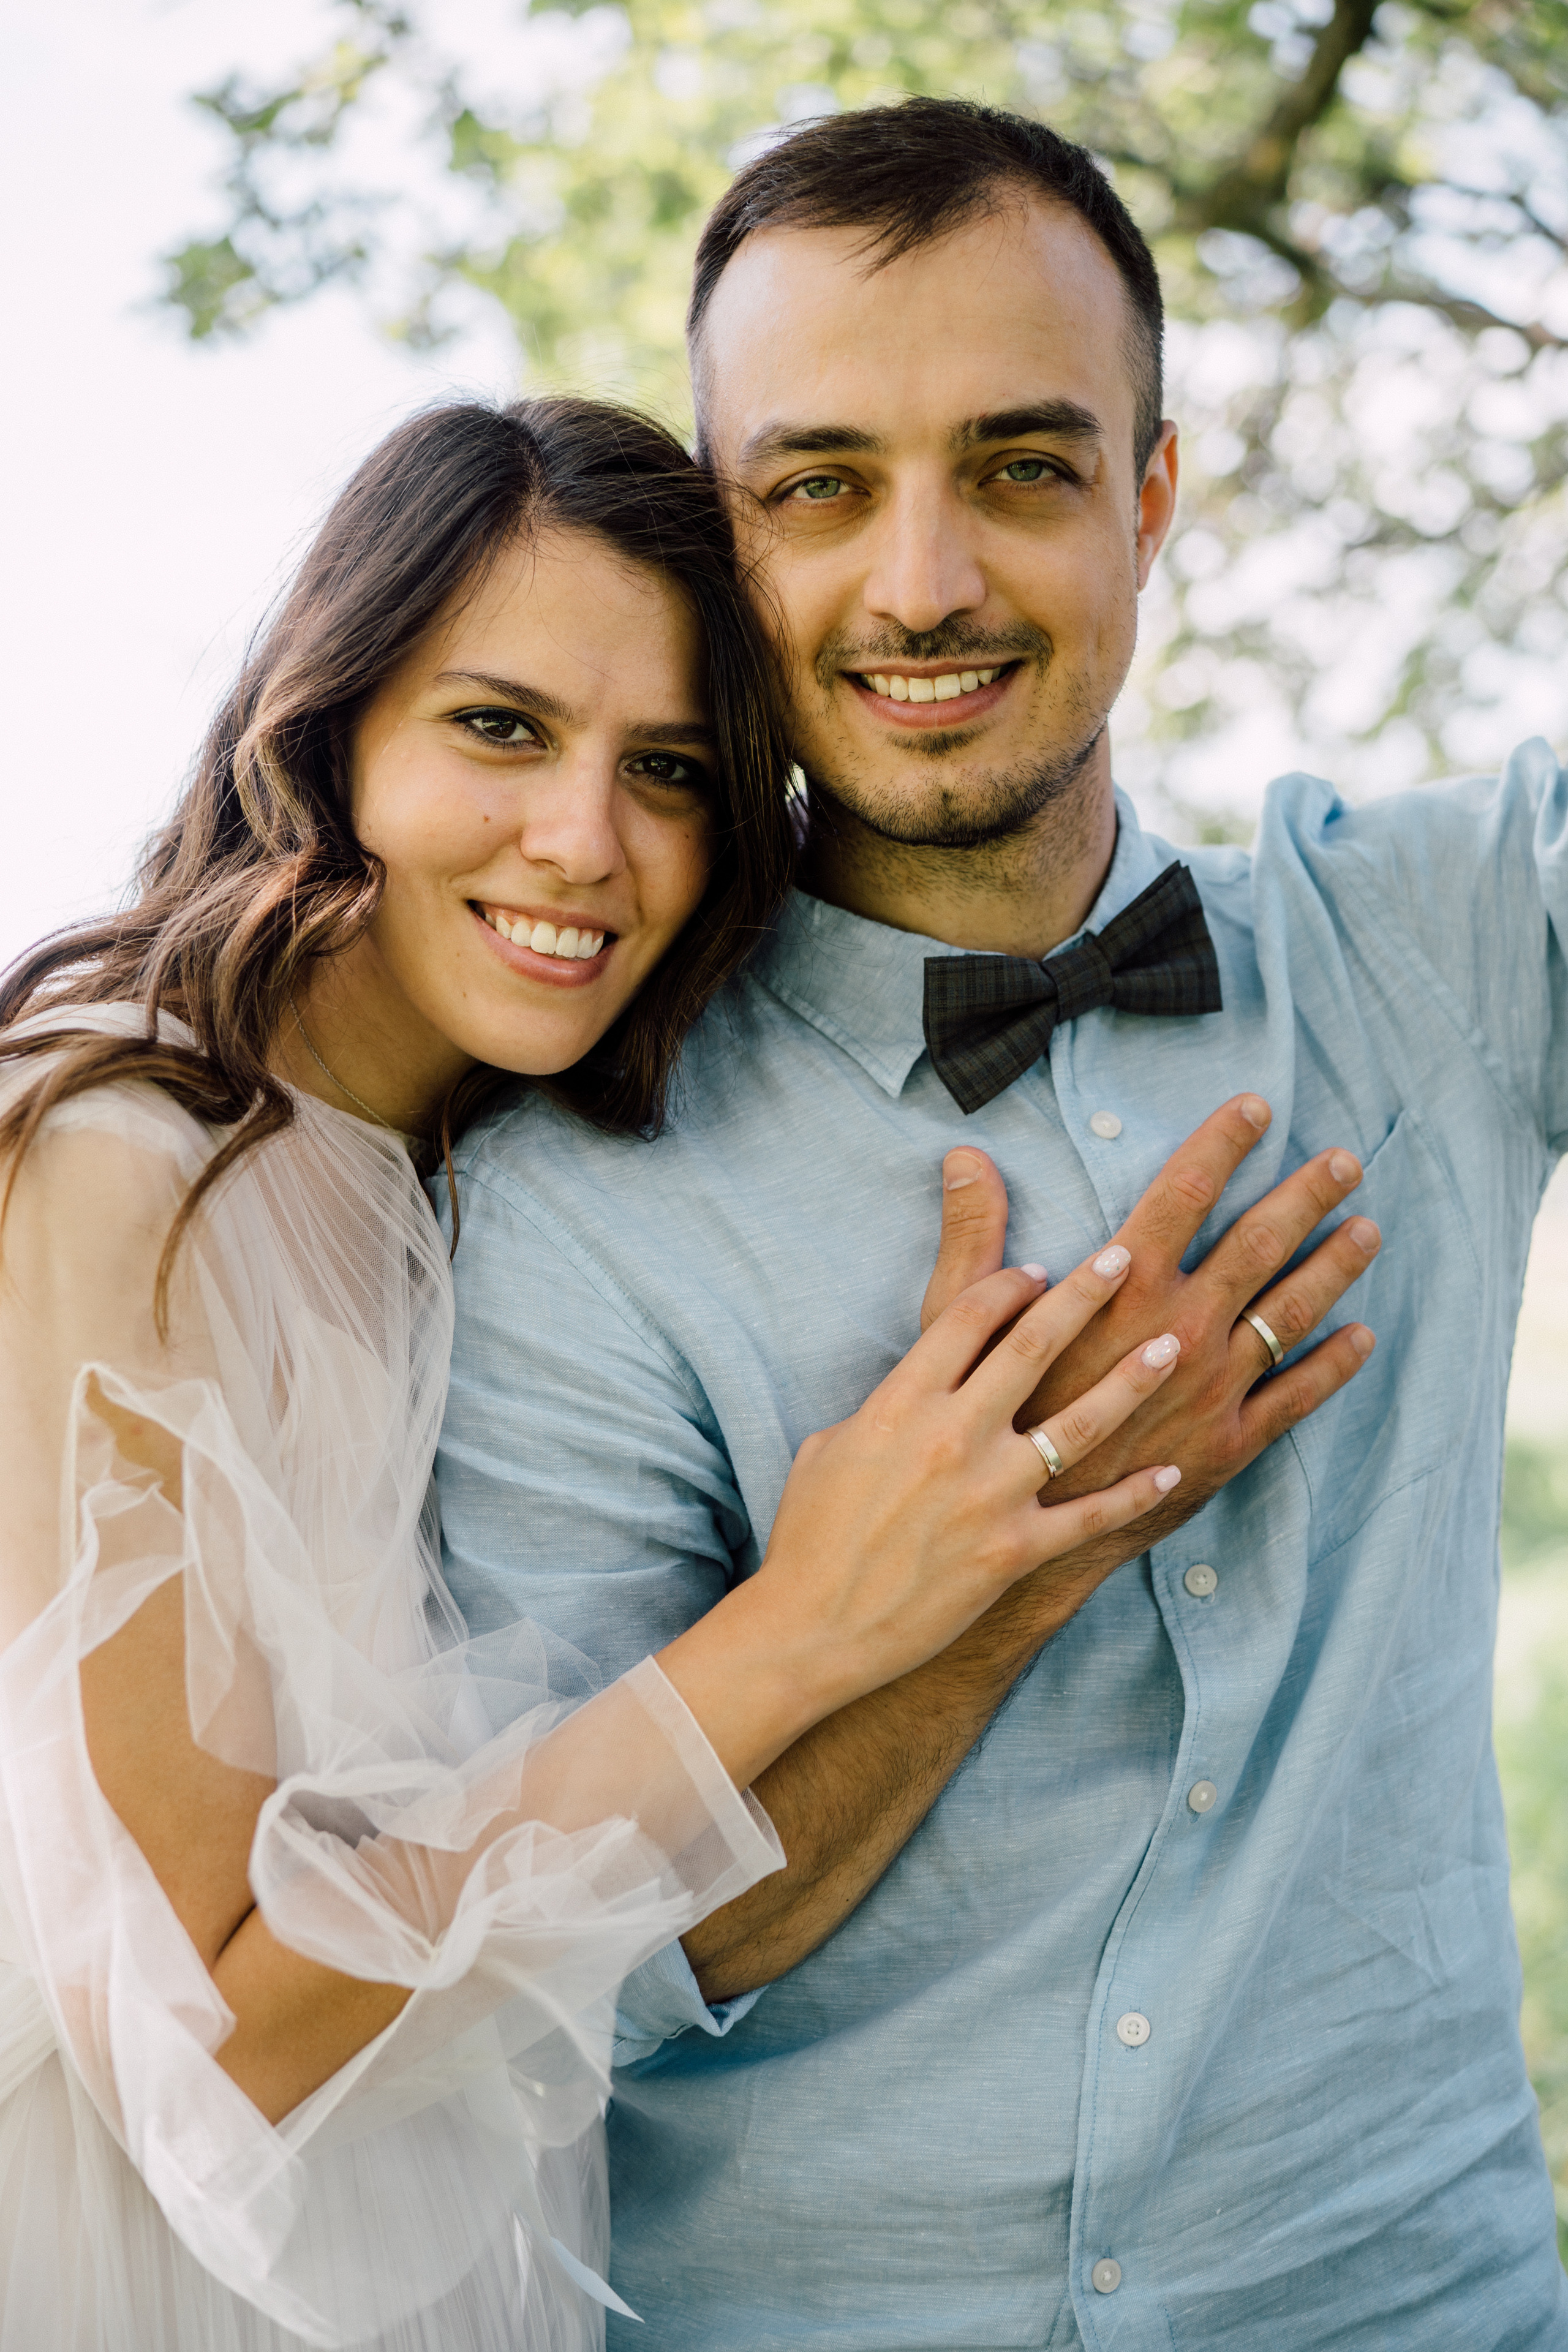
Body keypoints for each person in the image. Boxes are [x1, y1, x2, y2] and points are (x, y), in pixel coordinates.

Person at [434, 100, 1568, 2351]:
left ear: (1153, 501)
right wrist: (995, 1575)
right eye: (821, 485)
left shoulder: (1436, 947)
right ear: (721, 540)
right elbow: (581, 1981)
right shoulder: (561, 1188)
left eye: (1027, 467)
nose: (923, 580)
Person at [0, 393, 1200, 2352]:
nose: (587, 843)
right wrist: (806, 1623)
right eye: (500, 728)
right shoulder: (109, 1158)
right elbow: (209, 2031)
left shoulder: (486, 1177)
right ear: (331, 734)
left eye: (668, 769)